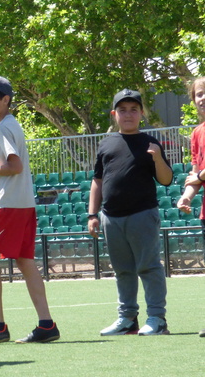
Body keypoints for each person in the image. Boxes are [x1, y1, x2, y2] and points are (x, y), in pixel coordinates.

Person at [0, 77, 60, 345]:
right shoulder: (9, 125)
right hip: (22, 203)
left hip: (11, 206)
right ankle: (46, 325)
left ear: (6, 99)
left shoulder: (5, 127)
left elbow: (14, 167)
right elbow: (8, 170)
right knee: (25, 262)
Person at [88, 89, 173, 336]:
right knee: (122, 270)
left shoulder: (151, 143)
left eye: (133, 109)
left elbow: (166, 180)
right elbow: (98, 180)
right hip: (111, 218)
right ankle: (127, 319)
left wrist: (157, 158)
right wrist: (92, 215)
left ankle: (157, 319)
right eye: (122, 110)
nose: (128, 114)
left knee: (148, 267)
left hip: (142, 215)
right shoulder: (106, 143)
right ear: (114, 114)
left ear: (141, 114)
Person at [176, 77, 205, 337]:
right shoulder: (197, 133)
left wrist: (199, 177)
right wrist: (187, 196)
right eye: (199, 94)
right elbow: (195, 175)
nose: (203, 98)